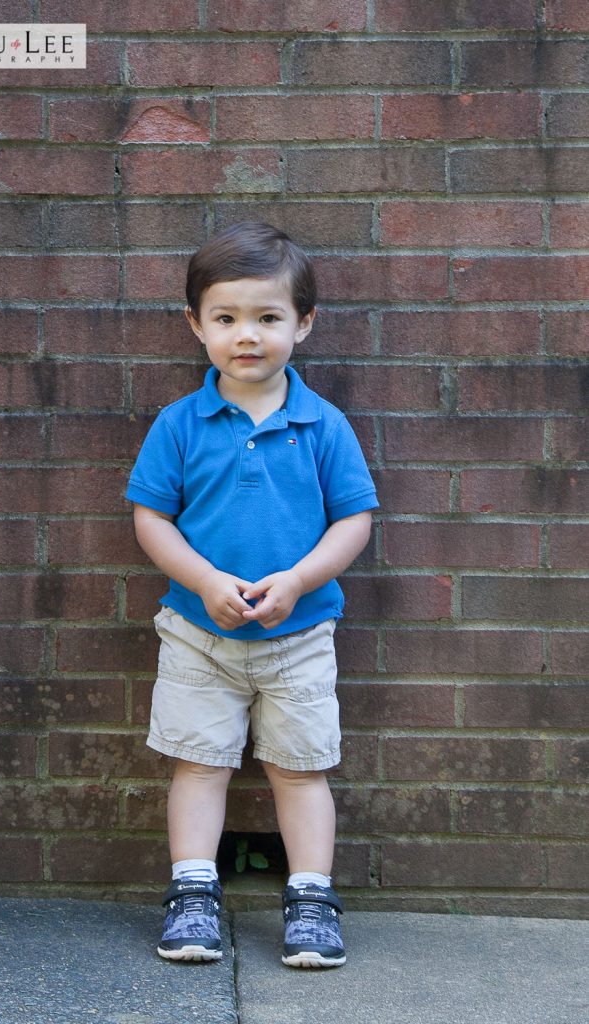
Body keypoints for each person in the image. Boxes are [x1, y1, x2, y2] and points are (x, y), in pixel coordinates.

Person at [126, 222, 378, 969]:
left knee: (300, 768)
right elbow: (151, 517)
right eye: (226, 317)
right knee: (199, 763)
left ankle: (311, 898)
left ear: (303, 323)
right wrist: (204, 581)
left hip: (299, 637)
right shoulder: (179, 424)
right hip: (197, 634)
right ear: (195, 325)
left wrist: (299, 580)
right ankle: (192, 892)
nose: (247, 335)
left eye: (267, 317)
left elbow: (354, 520)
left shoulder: (323, 424)